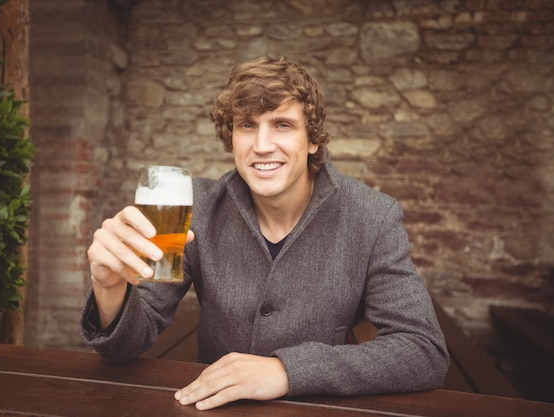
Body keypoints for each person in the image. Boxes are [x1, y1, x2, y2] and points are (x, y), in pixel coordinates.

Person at [80, 56, 449, 411]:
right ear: (232, 138)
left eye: (282, 125)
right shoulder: (197, 207)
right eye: (247, 126)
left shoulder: (371, 216)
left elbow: (423, 351)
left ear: (314, 139)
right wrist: (111, 289)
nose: (261, 145)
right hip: (212, 408)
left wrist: (286, 371)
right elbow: (124, 347)